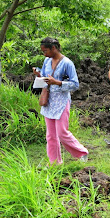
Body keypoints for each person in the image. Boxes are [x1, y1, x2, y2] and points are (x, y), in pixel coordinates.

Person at [33, 37, 88, 165]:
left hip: (62, 100)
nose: (44, 54)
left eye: (45, 50)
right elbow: (46, 76)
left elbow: (75, 84)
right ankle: (54, 162)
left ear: (53, 48)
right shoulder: (47, 61)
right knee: (50, 135)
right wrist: (39, 74)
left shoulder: (67, 63)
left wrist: (57, 82)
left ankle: (81, 152)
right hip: (49, 100)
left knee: (62, 132)